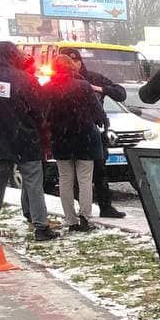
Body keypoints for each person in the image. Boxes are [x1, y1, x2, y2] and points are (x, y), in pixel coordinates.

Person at [0, 42, 58, 241]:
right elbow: (40, 109)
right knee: (33, 184)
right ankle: (41, 227)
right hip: (26, 140)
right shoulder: (25, 80)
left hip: (0, 143)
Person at [60, 47, 126, 218]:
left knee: (99, 171)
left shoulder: (93, 78)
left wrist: (100, 89)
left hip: (93, 132)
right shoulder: (57, 82)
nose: (73, 64)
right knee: (73, 178)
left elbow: (120, 93)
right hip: (67, 133)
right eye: (69, 60)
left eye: (76, 60)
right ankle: (78, 213)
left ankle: (104, 206)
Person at [45, 53, 105, 232]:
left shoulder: (48, 88)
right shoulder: (83, 86)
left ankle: (71, 220)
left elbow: (45, 114)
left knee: (65, 180)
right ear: (72, 67)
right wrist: (101, 121)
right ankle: (85, 217)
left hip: (61, 139)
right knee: (85, 179)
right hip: (85, 137)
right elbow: (97, 110)